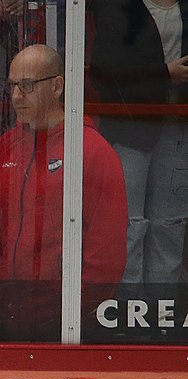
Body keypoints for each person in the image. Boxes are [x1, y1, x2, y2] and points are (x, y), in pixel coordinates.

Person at [0, 44, 128, 337]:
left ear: (57, 86)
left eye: (27, 85)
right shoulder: (5, 147)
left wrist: (72, 309)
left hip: (69, 324)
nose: (16, 97)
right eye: (12, 86)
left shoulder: (92, 151)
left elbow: (106, 252)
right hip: (7, 317)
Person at [88, 0, 188, 285]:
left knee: (171, 223)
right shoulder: (116, 6)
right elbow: (105, 72)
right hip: (130, 126)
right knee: (128, 224)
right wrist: (164, 73)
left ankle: (162, 309)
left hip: (178, 125)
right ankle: (127, 309)